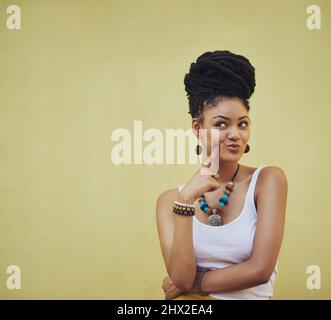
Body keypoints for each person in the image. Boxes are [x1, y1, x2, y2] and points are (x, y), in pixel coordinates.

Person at [156, 50, 288, 300]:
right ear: (198, 127)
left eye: (243, 123)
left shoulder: (268, 181)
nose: (235, 134)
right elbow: (179, 278)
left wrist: (196, 282)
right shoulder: (170, 201)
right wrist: (184, 203)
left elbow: (260, 270)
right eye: (221, 124)